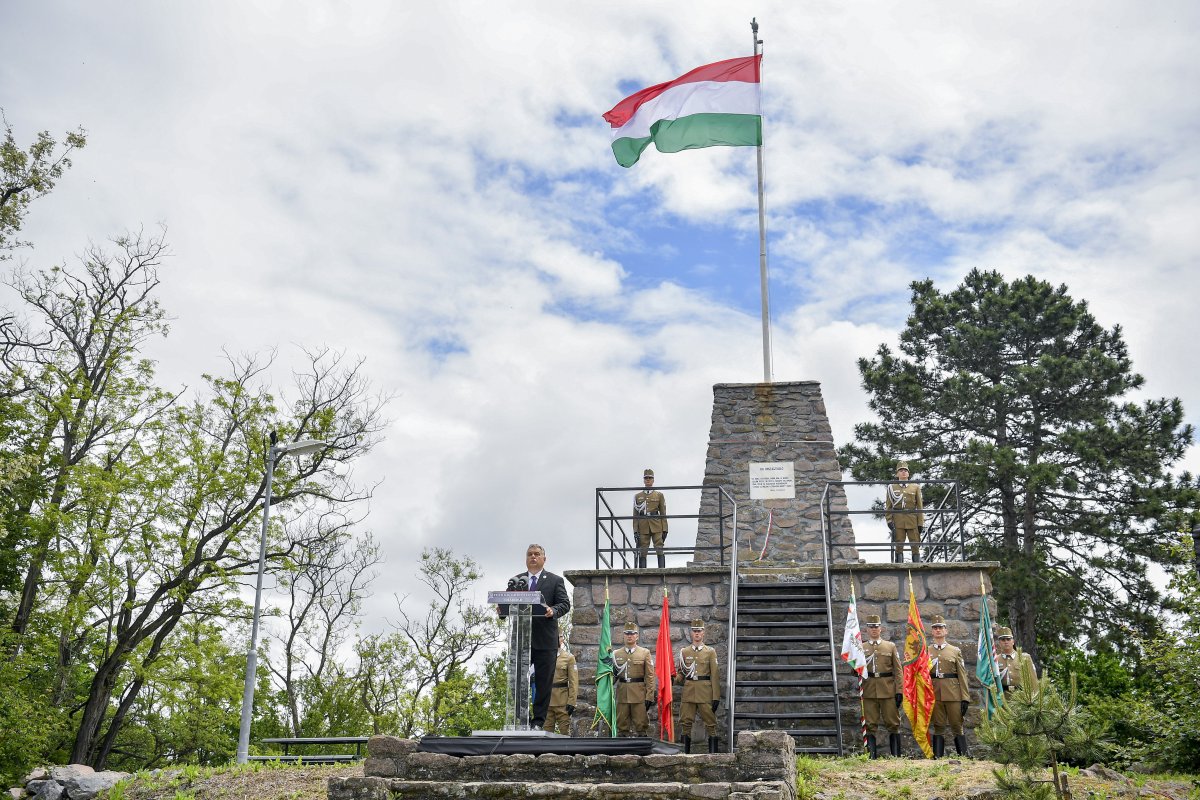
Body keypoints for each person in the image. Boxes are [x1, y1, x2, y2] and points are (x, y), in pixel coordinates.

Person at [497, 544, 571, 729]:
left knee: (543, 683)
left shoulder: (555, 581)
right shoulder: (516, 581)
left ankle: (538, 722)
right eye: (530, 554)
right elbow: (506, 603)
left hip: (545, 640)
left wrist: (552, 611)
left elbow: (565, 604)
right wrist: (501, 610)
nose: (533, 557)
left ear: (544, 559)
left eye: (537, 554)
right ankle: (521, 720)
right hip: (522, 639)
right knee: (518, 681)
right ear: (526, 558)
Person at [675, 619, 722, 753]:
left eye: (699, 631)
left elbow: (714, 675)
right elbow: (681, 674)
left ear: (703, 633)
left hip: (704, 692)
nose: (697, 633)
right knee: (685, 723)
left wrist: (716, 697)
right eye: (694, 631)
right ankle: (684, 756)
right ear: (691, 633)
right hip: (689, 691)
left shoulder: (710, 652)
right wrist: (672, 678)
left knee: (711, 723)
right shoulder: (685, 652)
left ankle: (713, 756)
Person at [861, 614, 903, 758]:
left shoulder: (890, 646)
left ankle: (896, 757)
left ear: (881, 628)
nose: (874, 629)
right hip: (869, 690)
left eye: (876, 626)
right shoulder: (861, 647)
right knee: (870, 724)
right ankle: (872, 757)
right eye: (871, 626)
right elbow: (855, 671)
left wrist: (899, 691)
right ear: (867, 629)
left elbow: (898, 671)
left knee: (893, 723)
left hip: (888, 690)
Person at [928, 615, 970, 757]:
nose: (938, 630)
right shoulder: (927, 651)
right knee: (938, 725)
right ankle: (938, 757)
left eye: (941, 627)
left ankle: (963, 756)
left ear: (946, 631)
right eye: (935, 628)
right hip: (934, 692)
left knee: (956, 725)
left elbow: (962, 675)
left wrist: (965, 697)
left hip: (953, 693)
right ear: (932, 632)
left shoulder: (954, 651)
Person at [612, 621, 657, 736]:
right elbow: (613, 676)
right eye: (627, 633)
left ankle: (642, 752)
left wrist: (650, 695)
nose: (629, 636)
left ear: (637, 636)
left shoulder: (644, 653)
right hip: (622, 694)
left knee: (641, 725)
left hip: (639, 695)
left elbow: (650, 676)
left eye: (632, 633)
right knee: (621, 725)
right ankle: (622, 753)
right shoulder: (616, 654)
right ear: (623, 635)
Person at [885, 461, 924, 563]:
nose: (903, 472)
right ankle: (899, 566)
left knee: (915, 544)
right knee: (899, 544)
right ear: (897, 473)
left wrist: (920, 523)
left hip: (912, 519)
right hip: (898, 520)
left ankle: (916, 565)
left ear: (908, 473)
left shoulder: (915, 487)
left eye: (905, 471)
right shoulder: (891, 488)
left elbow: (919, 507)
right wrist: (889, 520)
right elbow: (888, 506)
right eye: (901, 471)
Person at [544, 632, 578, 735]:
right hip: (547, 701)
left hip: (562, 702)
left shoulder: (569, 658)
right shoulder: (545, 657)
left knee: (564, 733)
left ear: (562, 639)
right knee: (546, 734)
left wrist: (571, 701)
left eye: (559, 637)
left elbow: (573, 682)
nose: (556, 640)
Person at [633, 468, 668, 569]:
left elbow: (663, 513)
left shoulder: (659, 495)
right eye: (646, 478)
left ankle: (662, 571)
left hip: (657, 524)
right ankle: (642, 573)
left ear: (653, 480)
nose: (648, 479)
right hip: (643, 526)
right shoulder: (637, 496)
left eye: (650, 478)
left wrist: (665, 529)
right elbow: (635, 516)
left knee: (659, 547)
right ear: (644, 480)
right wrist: (635, 531)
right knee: (643, 549)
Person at [995, 626, 1038, 695]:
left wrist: (1034, 698)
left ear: (1013, 642)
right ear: (999, 643)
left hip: (1021, 697)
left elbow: (1033, 681)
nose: (1006, 642)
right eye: (1003, 640)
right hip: (1003, 698)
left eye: (1008, 639)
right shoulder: (996, 660)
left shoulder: (1024, 658)